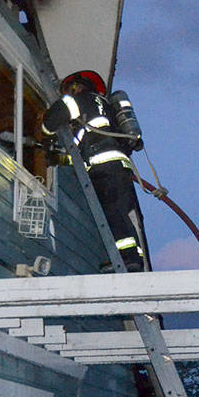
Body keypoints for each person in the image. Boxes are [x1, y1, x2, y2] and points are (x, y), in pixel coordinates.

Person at [40, 70, 148, 272]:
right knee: (121, 214)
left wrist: (45, 133)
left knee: (113, 213)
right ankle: (134, 258)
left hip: (103, 166)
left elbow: (53, 119)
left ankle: (129, 261)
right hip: (120, 166)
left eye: (70, 89)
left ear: (77, 87)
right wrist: (60, 159)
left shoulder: (80, 100)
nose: (69, 93)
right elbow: (86, 149)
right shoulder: (107, 107)